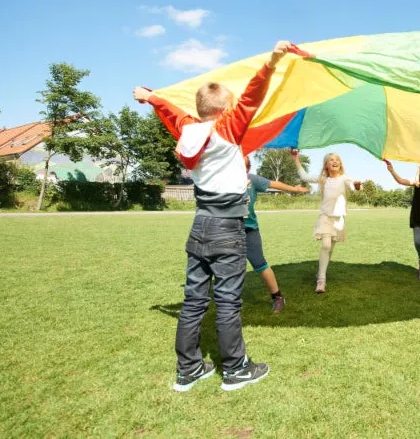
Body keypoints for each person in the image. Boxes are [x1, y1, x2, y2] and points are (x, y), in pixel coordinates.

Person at [133, 40, 292, 392]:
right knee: (228, 301)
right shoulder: (228, 129)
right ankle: (235, 370)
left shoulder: (188, 131)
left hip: (200, 225)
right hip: (228, 229)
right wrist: (272, 61)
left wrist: (151, 97)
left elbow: (173, 114)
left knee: (193, 300)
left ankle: (188, 369)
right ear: (226, 110)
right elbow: (253, 95)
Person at [243, 153, 309, 313]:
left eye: (243, 164)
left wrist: (296, 189)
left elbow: (275, 184)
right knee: (227, 265)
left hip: (249, 229)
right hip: (227, 230)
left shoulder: (252, 180)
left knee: (259, 264)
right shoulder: (222, 179)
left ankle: (277, 297)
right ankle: (227, 298)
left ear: (248, 167)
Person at [291, 150, 361, 293]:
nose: (335, 161)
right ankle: (321, 280)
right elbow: (304, 176)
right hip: (325, 217)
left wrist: (358, 185)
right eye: (331, 160)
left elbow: (354, 189)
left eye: (337, 159)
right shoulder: (323, 179)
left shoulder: (344, 178)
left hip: (339, 219)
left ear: (340, 164)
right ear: (326, 165)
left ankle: (321, 272)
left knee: (330, 249)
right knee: (326, 245)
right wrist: (295, 158)